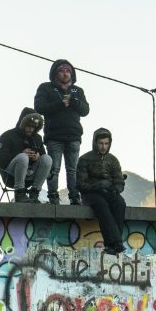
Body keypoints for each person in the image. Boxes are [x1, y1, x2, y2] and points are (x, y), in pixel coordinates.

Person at [34, 59, 89, 205]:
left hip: (74, 135)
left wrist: (74, 102)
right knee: (54, 169)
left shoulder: (78, 90)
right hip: (54, 135)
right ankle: (53, 196)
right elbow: (39, 107)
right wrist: (59, 104)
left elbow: (85, 110)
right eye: (62, 71)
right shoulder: (45, 88)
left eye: (68, 71)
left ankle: (74, 197)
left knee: (73, 169)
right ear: (55, 73)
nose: (65, 74)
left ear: (72, 74)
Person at [76, 127, 126, 255]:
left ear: (110, 143)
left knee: (120, 203)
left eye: (106, 143)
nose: (103, 146)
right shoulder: (84, 159)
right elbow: (80, 184)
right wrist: (98, 185)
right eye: (100, 143)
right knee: (101, 204)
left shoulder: (113, 160)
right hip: (90, 194)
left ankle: (113, 245)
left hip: (109, 192)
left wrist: (116, 189)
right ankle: (116, 243)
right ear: (95, 142)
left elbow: (119, 181)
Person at [0, 109, 52, 204]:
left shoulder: (37, 138)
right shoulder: (7, 135)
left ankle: (35, 192)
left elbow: (43, 157)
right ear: (22, 123)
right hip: (10, 176)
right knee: (22, 157)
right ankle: (19, 193)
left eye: (34, 127)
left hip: (30, 175)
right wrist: (20, 153)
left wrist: (37, 156)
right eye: (28, 126)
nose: (31, 129)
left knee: (47, 159)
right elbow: (0, 160)